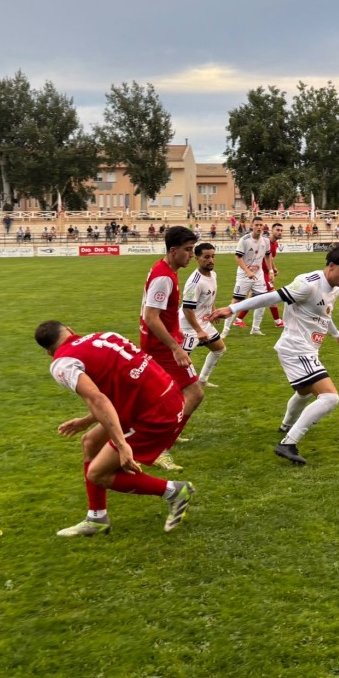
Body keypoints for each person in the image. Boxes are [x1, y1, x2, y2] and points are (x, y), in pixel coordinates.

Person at [34, 321, 194, 537]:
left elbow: (97, 399)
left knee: (98, 474)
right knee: (90, 442)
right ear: (71, 330)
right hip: (168, 395)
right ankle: (97, 518)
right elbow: (122, 384)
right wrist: (87, 421)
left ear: (47, 352)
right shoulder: (105, 335)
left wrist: (122, 444)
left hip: (153, 415)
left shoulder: (62, 363)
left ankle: (174, 491)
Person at [208, 243, 339, 465]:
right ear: (330, 266)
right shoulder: (307, 284)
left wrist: (337, 335)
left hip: (307, 349)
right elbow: (270, 297)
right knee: (330, 397)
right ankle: (288, 443)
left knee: (304, 393)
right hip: (296, 349)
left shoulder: (335, 290)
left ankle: (286, 426)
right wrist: (231, 309)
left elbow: (325, 315)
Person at [140, 225, 203, 470]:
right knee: (194, 393)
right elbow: (151, 317)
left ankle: (165, 437)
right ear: (173, 250)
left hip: (161, 343)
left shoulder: (165, 269)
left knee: (169, 395)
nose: (191, 254)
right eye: (188, 250)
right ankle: (159, 447)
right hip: (162, 347)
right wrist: (175, 348)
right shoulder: (164, 277)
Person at [179, 243, 227, 388]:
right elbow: (187, 309)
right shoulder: (195, 282)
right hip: (189, 326)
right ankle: (167, 387)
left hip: (203, 323)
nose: (211, 260)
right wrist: (199, 330)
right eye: (206, 257)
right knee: (181, 361)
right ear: (197, 258)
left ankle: (202, 380)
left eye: (213, 256)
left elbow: (209, 296)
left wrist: (213, 310)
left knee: (219, 349)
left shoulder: (213, 275)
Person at [220, 216, 270, 337]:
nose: (259, 227)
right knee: (236, 302)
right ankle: (225, 330)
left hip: (258, 275)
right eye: (256, 225)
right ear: (251, 226)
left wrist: (271, 270)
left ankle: (255, 328)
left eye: (260, 225)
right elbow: (237, 257)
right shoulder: (244, 240)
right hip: (244, 275)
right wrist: (247, 271)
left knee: (262, 301)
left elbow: (268, 256)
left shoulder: (266, 241)